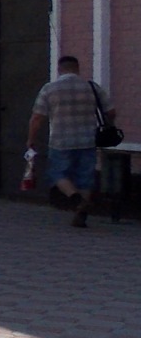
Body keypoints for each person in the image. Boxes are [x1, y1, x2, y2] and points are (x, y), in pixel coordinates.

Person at [27, 55, 115, 228]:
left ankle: (75, 198)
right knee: (85, 176)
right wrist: (110, 124)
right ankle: (81, 214)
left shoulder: (50, 89)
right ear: (77, 68)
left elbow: (37, 118)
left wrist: (31, 139)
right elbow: (110, 111)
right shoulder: (92, 87)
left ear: (60, 69)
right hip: (88, 140)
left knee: (56, 173)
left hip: (61, 140)